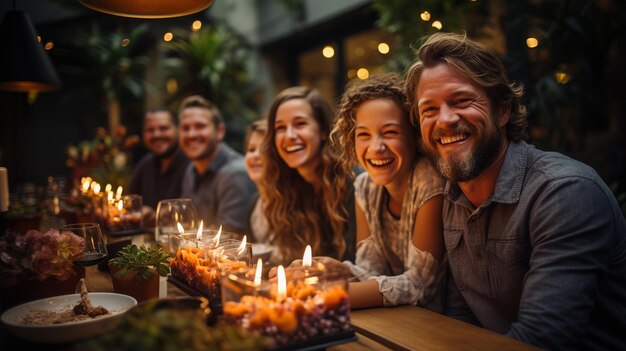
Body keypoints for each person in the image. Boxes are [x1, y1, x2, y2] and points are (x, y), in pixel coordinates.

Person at [405, 32, 626, 350]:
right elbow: (459, 318)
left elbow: (543, 339)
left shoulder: (564, 193)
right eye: (429, 109)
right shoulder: (453, 197)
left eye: (462, 101)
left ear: (503, 110)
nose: (446, 119)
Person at [330, 74, 446, 310]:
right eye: (363, 135)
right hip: (393, 321)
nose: (376, 148)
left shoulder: (430, 182)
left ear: (414, 136)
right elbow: (371, 271)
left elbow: (421, 286)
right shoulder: (364, 186)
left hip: (438, 326)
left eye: (390, 132)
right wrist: (335, 270)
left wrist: (330, 295)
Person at [261, 86, 356, 265]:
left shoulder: (353, 183)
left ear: (322, 131)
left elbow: (359, 267)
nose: (289, 135)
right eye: (280, 128)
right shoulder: (286, 188)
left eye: (300, 124)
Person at [178, 95, 255, 236]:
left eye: (200, 126)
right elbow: (187, 225)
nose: (191, 134)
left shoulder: (235, 173)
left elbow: (228, 238)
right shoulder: (191, 169)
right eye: (185, 128)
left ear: (220, 132)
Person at [126, 108, 190, 225]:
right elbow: (128, 202)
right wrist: (139, 211)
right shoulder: (145, 164)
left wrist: (157, 215)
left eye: (163, 128)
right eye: (150, 130)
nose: (156, 134)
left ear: (179, 129)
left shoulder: (193, 164)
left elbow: (193, 210)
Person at [243, 120, 271, 243]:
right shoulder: (255, 203)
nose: (255, 155)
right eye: (251, 149)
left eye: (264, 150)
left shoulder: (294, 202)